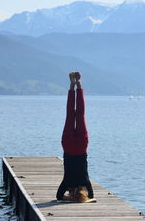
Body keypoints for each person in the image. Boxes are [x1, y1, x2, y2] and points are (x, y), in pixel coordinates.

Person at [56, 72, 94, 202]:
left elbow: (92, 195)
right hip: (68, 146)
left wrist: (87, 198)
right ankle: (73, 86)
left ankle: (78, 86)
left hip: (82, 145)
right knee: (71, 114)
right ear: (71, 191)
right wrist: (67, 198)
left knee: (80, 114)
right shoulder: (67, 181)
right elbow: (58, 196)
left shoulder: (85, 181)